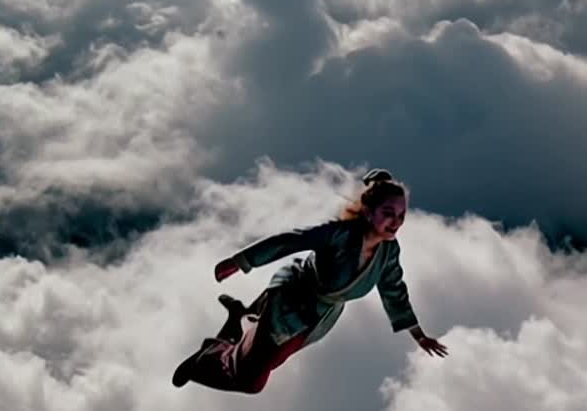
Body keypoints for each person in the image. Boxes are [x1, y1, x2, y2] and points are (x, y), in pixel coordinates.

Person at [172, 168, 448, 394]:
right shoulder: (340, 234)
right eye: (388, 213)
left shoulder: (389, 251)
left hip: (319, 318)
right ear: (368, 211)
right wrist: (241, 262)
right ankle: (209, 356)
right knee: (250, 380)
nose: (396, 222)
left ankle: (240, 319)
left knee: (262, 366)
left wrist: (418, 335)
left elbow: (394, 291)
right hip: (290, 298)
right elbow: (293, 240)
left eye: (401, 216)